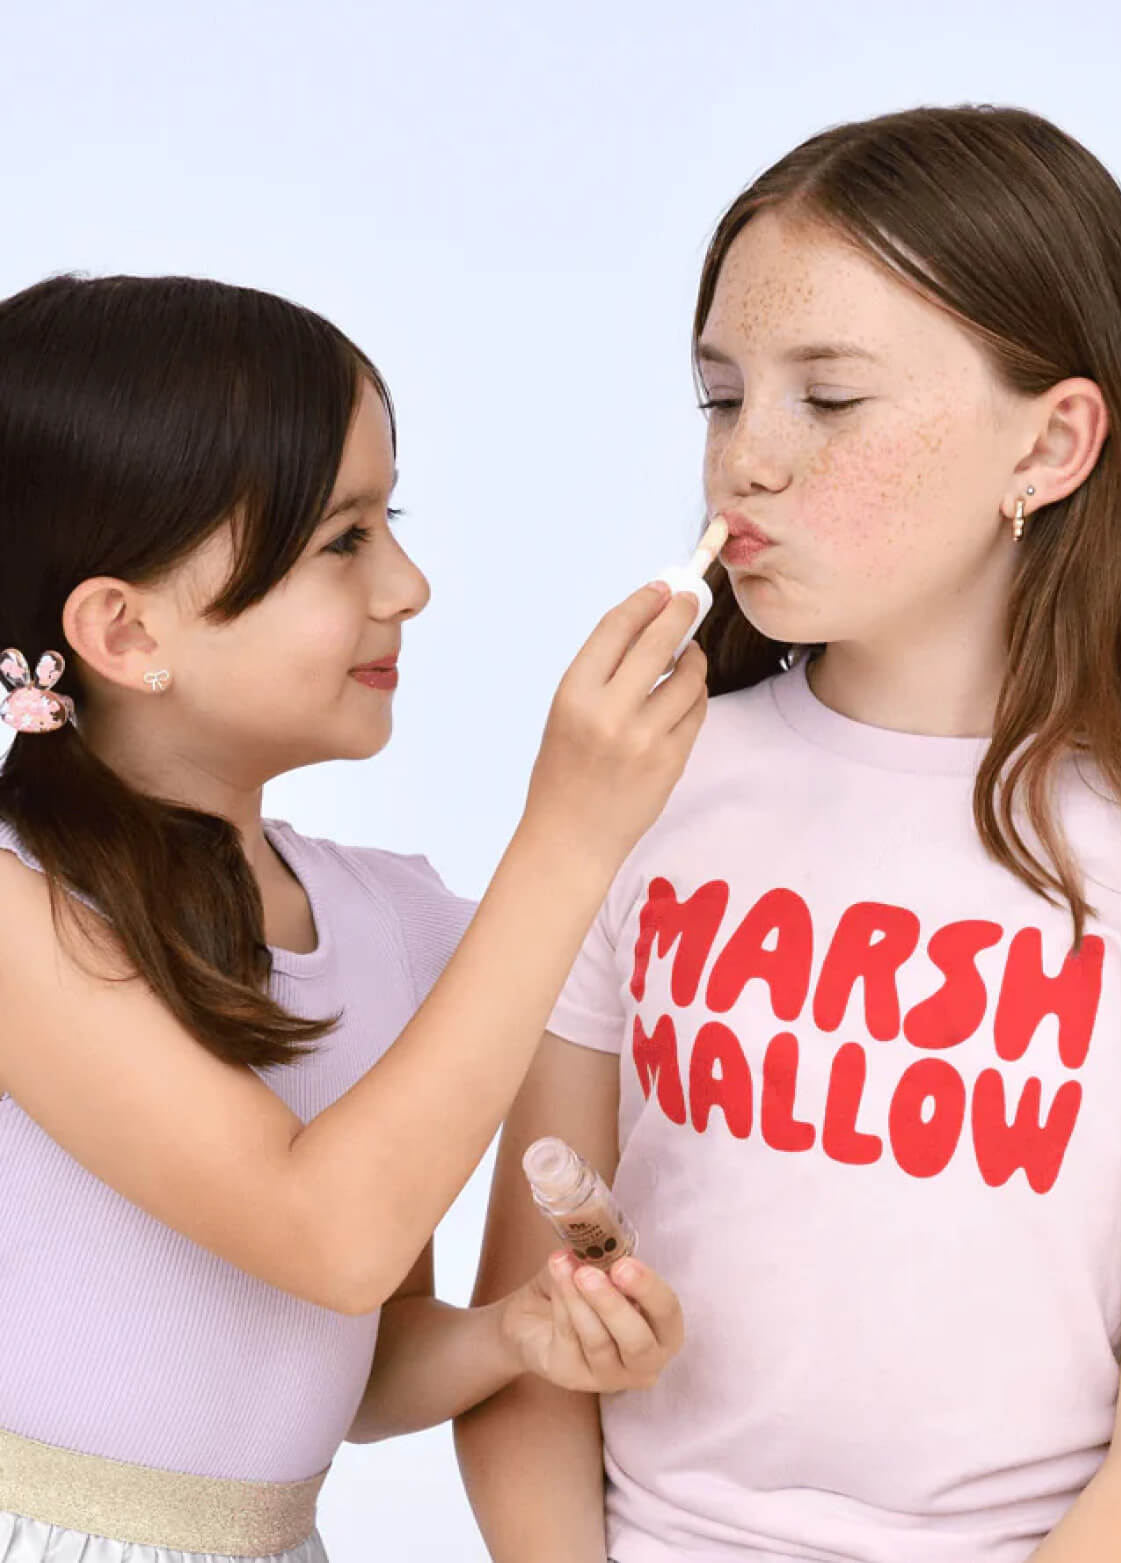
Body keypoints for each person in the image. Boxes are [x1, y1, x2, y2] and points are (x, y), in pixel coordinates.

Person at [455, 105, 1121, 1563]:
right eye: (720, 397)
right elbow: (522, 1347)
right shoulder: (637, 790)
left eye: (827, 400)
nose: (743, 463)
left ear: (1052, 443)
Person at [0, 274, 697, 1562]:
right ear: (123, 631)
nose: (409, 585)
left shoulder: (392, 925)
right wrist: (568, 834)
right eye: (343, 541)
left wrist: (513, 1337)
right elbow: (327, 1234)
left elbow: (352, 1356)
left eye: (393, 521)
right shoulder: (15, 913)